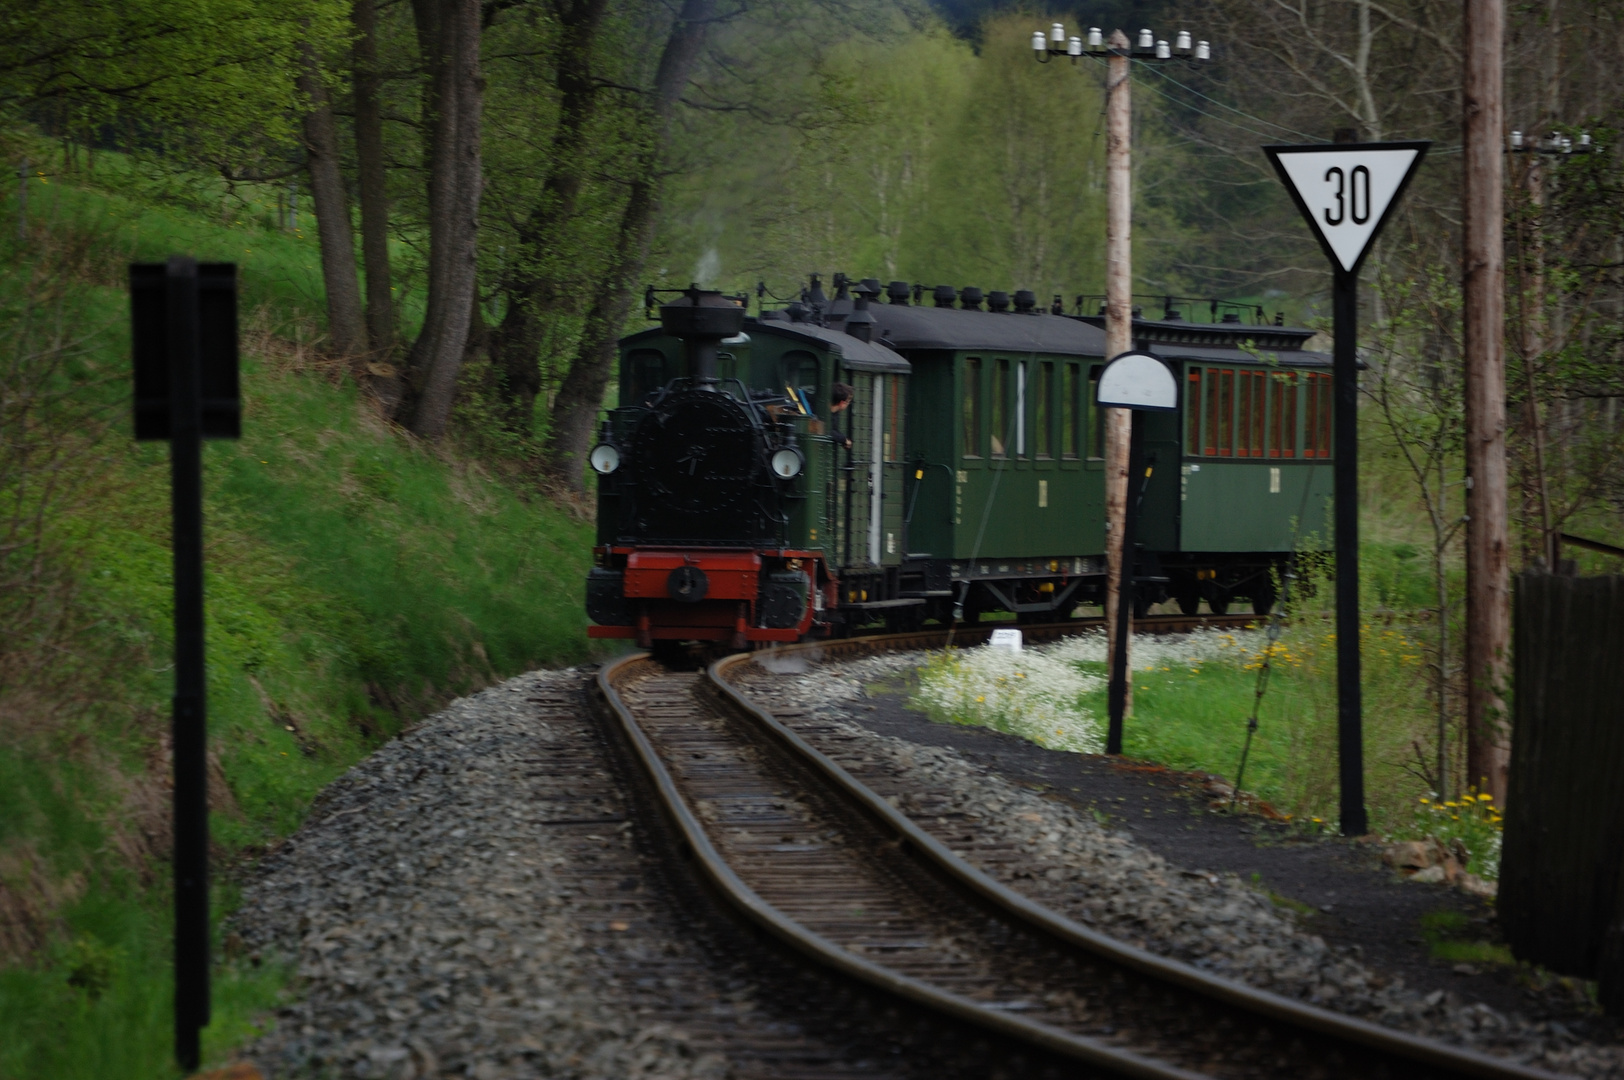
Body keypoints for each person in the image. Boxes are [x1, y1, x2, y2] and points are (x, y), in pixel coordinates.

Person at [829, 382, 854, 450]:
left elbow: (834, 430)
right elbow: (827, 430)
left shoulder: (835, 414)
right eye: (848, 402)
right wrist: (844, 440)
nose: (848, 404)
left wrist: (844, 440)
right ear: (842, 403)